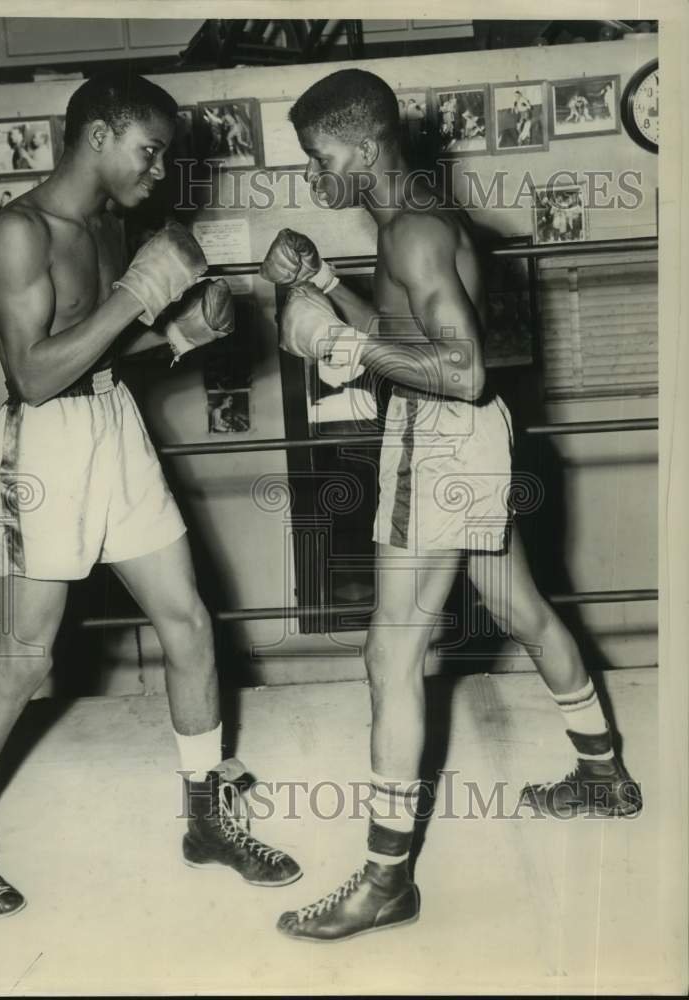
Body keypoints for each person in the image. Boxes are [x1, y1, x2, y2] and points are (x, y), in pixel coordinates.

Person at [259, 67, 641, 943]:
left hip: (440, 437)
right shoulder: (416, 221)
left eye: (320, 158)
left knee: (388, 652)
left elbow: (462, 372)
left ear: (361, 147)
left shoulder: (414, 233)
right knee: (519, 605)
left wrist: (345, 343)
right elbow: (415, 333)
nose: (316, 177)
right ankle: (603, 772)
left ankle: (387, 877)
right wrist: (324, 282)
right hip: (472, 440)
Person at [0, 70, 300, 918]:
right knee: (27, 657)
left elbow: (101, 357)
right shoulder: (18, 233)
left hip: (115, 429)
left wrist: (178, 337)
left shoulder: (110, 225)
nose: (158, 171)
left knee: (190, 621)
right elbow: (35, 372)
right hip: (45, 447)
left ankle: (205, 815)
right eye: (149, 151)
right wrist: (139, 295)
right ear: (99, 135)